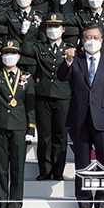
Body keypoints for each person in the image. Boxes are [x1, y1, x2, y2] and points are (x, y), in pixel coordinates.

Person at [58, 22, 104, 208]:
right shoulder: (75, 60)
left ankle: (101, 205)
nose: (92, 41)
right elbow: (61, 76)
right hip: (80, 120)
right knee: (82, 164)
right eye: (88, 37)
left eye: (95, 37)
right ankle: (84, 204)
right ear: (81, 40)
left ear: (102, 41)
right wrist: (68, 61)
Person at [0, 39, 36, 208]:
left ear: (19, 56)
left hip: (19, 125)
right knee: (0, 167)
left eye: (12, 53)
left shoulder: (26, 77)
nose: (9, 57)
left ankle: (15, 207)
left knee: (17, 168)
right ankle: (1, 206)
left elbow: (30, 104)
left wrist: (31, 128)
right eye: (6, 54)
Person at [30, 14, 72, 181]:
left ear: (63, 29)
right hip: (43, 95)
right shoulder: (41, 48)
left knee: (60, 135)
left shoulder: (69, 49)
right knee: (44, 135)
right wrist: (31, 28)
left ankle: (58, 171)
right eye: (49, 27)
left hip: (63, 96)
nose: (53, 30)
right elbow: (26, 47)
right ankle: (45, 169)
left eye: (56, 27)